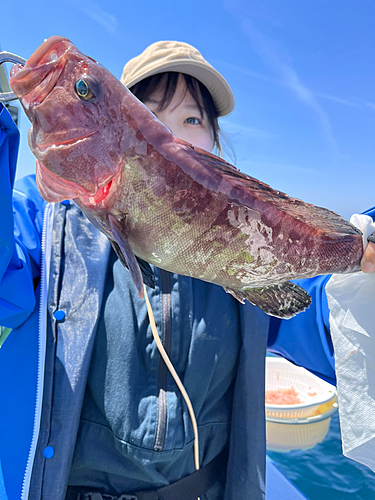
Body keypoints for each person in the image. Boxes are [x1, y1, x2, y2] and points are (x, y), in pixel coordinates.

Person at [0, 40, 374, 500]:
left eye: (193, 120)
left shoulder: (244, 239)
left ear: (214, 144)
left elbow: (328, 320)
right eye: (148, 112)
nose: (171, 131)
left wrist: (362, 252)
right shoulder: (42, 224)